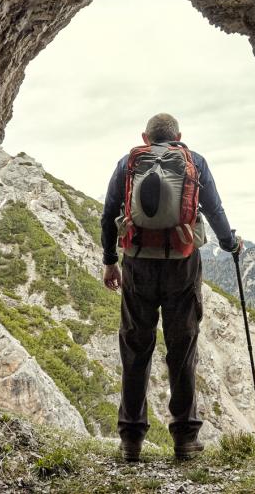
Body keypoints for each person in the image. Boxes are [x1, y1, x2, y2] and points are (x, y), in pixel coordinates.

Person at [100, 113, 243, 462]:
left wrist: (109, 260)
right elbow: (213, 208)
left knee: (135, 348)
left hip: (137, 263)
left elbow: (108, 213)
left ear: (145, 137)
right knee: (182, 348)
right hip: (182, 263)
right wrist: (229, 243)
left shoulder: (129, 162)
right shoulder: (194, 162)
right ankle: (184, 438)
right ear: (179, 135)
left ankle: (131, 440)